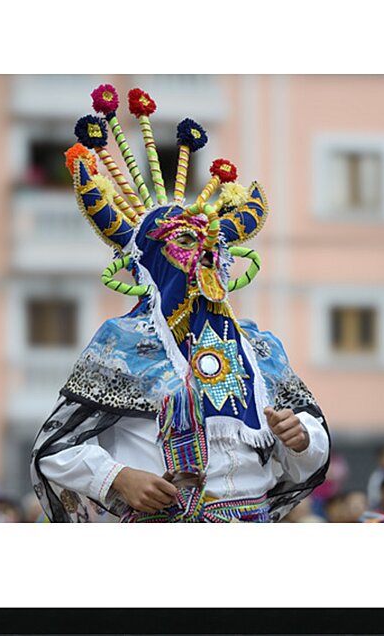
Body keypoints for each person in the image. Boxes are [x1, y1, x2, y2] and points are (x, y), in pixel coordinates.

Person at [30, 84, 330, 523]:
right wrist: (117, 477)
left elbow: (302, 458)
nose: (204, 257)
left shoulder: (259, 349)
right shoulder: (124, 343)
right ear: (152, 260)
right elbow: (56, 448)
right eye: (186, 243)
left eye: (213, 245)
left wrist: (301, 437)